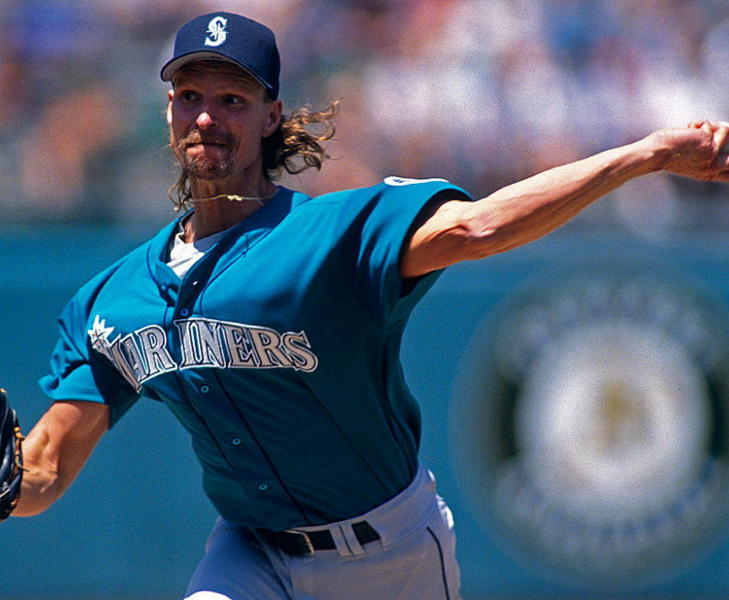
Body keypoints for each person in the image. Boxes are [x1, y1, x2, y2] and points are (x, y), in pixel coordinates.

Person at [3, 10, 729, 600]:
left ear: (270, 116)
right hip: (250, 552)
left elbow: (479, 227)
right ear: (168, 109)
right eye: (190, 95)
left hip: (391, 552)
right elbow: (42, 472)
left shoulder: (334, 232)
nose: (207, 118)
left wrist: (643, 156)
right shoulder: (114, 298)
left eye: (232, 100)